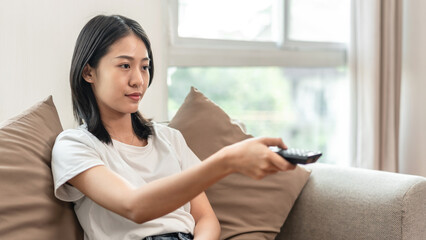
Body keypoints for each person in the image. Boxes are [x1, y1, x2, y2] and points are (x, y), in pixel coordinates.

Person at [51, 14, 295, 240]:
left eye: (144, 67)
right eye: (125, 65)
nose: (138, 80)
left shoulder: (169, 139)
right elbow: (134, 206)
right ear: (88, 72)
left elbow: (206, 219)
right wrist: (227, 160)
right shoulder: (74, 145)